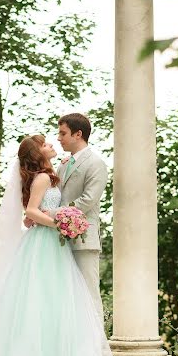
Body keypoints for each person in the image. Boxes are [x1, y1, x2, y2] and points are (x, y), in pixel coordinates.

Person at [0, 135, 113, 356]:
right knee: (38, 299)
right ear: (38, 153)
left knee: (54, 301)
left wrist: (51, 220)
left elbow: (35, 211)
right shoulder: (42, 178)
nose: (52, 144)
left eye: (55, 139)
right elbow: (31, 211)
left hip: (51, 242)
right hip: (44, 242)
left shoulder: (53, 172)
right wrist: (60, 223)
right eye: (45, 143)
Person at [57, 113, 108, 322]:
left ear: (78, 134)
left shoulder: (96, 163)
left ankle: (98, 350)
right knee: (63, 296)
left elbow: (88, 200)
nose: (58, 138)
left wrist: (54, 215)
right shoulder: (63, 164)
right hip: (57, 240)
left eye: (63, 133)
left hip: (84, 239)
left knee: (88, 294)